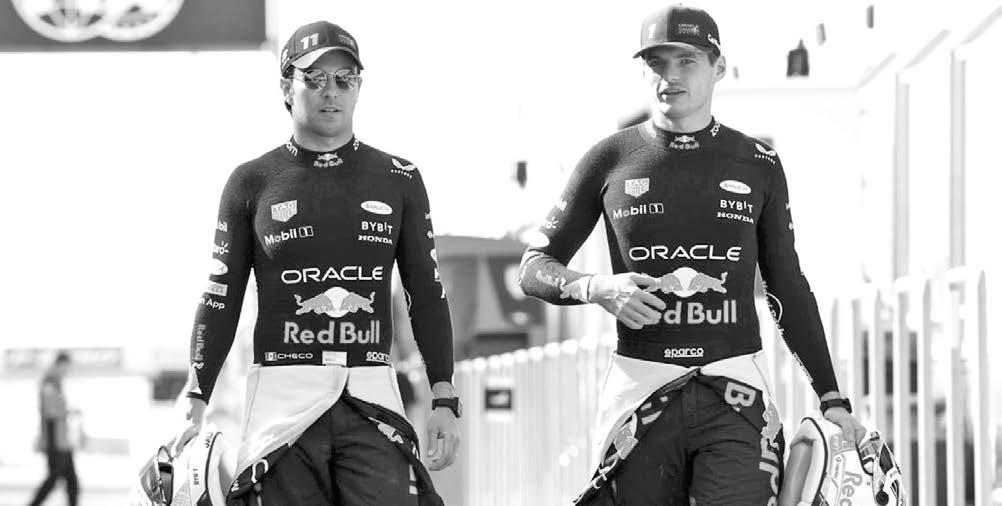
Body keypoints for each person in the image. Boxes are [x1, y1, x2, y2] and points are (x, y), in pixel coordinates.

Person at [518, 5, 866, 505]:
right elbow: (533, 267)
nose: (671, 76)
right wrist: (598, 288)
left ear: (718, 67)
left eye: (686, 61)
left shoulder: (758, 162)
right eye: (657, 63)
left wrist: (831, 397)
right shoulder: (608, 158)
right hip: (640, 395)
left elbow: (787, 285)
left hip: (736, 392)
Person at [173, 21, 461, 505]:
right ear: (287, 87)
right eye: (315, 78)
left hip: (371, 398)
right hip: (281, 405)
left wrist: (444, 397)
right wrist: (196, 397)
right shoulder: (251, 182)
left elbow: (427, 292)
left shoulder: (399, 177)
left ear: (359, 88)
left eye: (345, 79)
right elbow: (220, 297)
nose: (332, 92)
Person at [29, 351, 79, 506]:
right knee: (54, 479)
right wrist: (68, 412)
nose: (67, 371)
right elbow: (50, 411)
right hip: (55, 441)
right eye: (66, 367)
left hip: (62, 441)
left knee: (71, 481)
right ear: (59, 364)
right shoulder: (50, 382)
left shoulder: (55, 382)